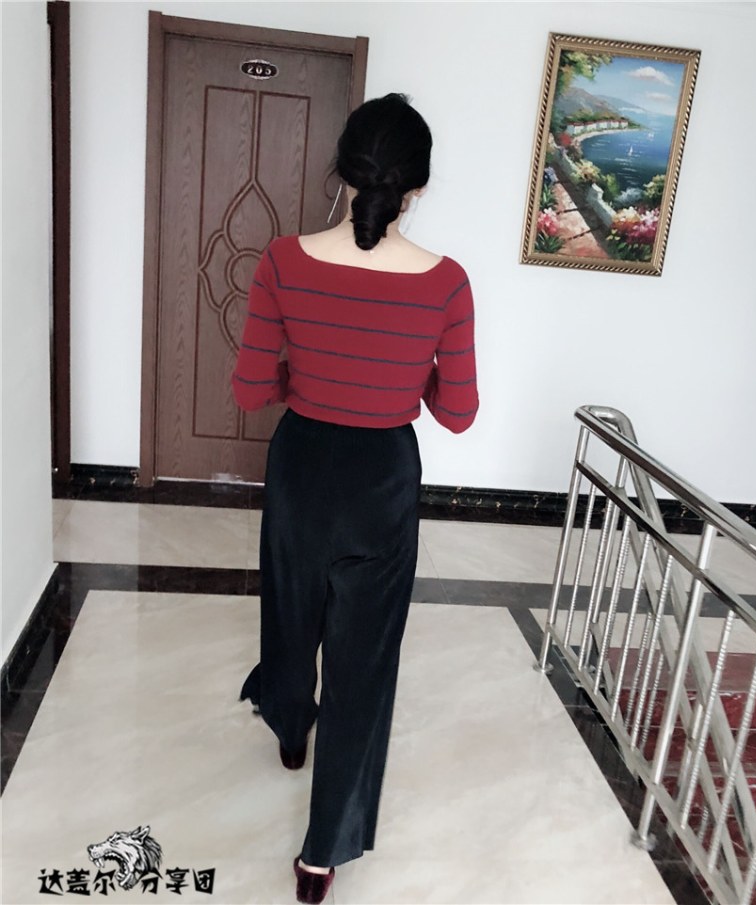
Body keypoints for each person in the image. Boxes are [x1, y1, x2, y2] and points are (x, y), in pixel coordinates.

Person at [232, 93, 478, 905]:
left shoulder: (282, 260)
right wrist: (410, 377)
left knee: (291, 612)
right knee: (363, 665)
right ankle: (321, 856)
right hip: (382, 478)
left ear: (340, 171)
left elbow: (249, 388)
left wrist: (304, 378)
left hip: (303, 465)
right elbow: (458, 412)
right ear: (417, 188)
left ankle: (289, 726)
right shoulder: (447, 284)